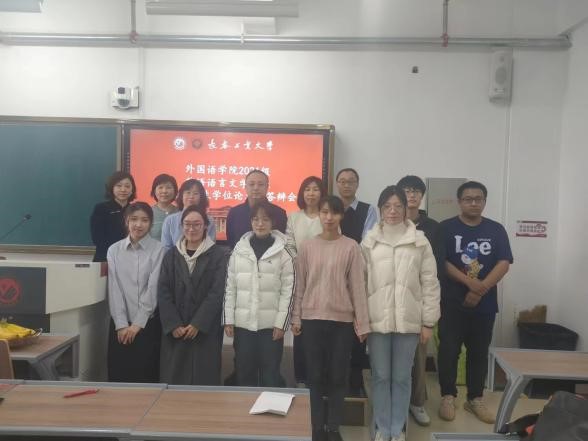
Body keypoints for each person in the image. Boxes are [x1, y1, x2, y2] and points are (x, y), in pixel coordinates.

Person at [361, 186, 440, 441]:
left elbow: (430, 283)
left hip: (409, 322)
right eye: (387, 206)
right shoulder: (369, 241)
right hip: (377, 321)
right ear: (380, 209)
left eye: (398, 206)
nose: (392, 211)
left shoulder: (420, 241)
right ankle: (382, 428)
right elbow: (360, 283)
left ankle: (398, 429)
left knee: (402, 377)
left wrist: (428, 322)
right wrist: (361, 321)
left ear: (406, 209)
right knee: (381, 376)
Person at [291, 195, 370, 441]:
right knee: (314, 376)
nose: (329, 217)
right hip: (312, 319)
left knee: (338, 376)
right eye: (324, 212)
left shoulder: (351, 247)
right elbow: (300, 285)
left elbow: (357, 287)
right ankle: (316, 427)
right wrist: (296, 317)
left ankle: (333, 427)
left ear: (341, 216)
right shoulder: (307, 246)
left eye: (334, 213)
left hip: (341, 322)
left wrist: (362, 323)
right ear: (319, 214)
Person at [437, 181, 513, 424]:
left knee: (479, 352)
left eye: (478, 199)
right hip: (451, 303)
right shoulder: (445, 228)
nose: (473, 203)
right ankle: (448, 396)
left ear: (484, 202)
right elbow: (442, 262)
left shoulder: (496, 229)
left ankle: (475, 398)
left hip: (485, 305)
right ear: (459, 202)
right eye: (468, 199)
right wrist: (470, 283)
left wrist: (481, 289)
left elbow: (504, 262)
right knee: (448, 351)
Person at [223, 200, 295, 387]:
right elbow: (230, 288)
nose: (260, 224)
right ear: (250, 222)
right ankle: (244, 407)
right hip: (243, 325)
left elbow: (288, 291)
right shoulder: (239, 251)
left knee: (270, 375)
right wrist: (228, 319)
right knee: (244, 372)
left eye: (265, 219)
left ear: (273, 223)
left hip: (271, 327)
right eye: (255, 219)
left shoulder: (283, 253)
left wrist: (281, 324)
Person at [158, 205, 228, 385]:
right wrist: (173, 323)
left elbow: (217, 291)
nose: (192, 229)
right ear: (181, 226)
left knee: (203, 378)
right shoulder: (171, 255)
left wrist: (198, 323)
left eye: (197, 224)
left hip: (205, 328)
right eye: (187, 224)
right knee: (174, 377)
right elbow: (163, 291)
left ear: (205, 226)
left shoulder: (218, 255)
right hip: (177, 328)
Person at [397, 175, 445, 427]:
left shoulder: (433, 227)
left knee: (418, 355)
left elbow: (435, 271)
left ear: (422, 196)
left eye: (416, 191)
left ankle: (416, 402)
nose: (412, 195)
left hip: (418, 299)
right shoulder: (391, 223)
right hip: (392, 299)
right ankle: (393, 404)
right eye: (407, 190)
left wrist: (430, 312)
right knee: (392, 358)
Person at [106, 202, 165, 383]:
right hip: (120, 326)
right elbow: (114, 288)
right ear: (126, 221)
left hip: (147, 324)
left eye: (144, 220)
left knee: (146, 377)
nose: (138, 224)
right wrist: (122, 324)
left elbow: (153, 288)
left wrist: (137, 324)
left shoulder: (159, 249)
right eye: (134, 219)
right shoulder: (114, 250)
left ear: (151, 223)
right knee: (119, 376)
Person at [335, 167, 378, 396]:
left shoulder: (368, 210)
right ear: (337, 184)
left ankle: (355, 381)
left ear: (357, 184)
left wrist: (349, 261)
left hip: (358, 274)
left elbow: (368, 242)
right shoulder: (330, 207)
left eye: (351, 181)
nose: (346, 185)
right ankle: (335, 380)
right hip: (332, 276)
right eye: (342, 181)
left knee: (357, 327)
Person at [285, 176, 325, 387]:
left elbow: (333, 243)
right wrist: (300, 264)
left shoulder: (327, 216)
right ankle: (301, 378)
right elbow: (289, 244)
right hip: (299, 276)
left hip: (323, 279)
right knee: (300, 328)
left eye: (315, 189)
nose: (311, 193)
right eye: (307, 189)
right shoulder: (293, 217)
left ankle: (318, 379)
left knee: (319, 331)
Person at [226, 170, 287, 249]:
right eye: (251, 184)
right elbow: (231, 242)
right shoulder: (234, 213)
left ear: (267, 187)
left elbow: (282, 242)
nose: (256, 188)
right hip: (240, 255)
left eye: (260, 184)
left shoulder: (279, 213)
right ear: (245, 187)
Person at [90, 171, 136, 262]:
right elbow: (97, 238)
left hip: (130, 258)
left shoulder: (135, 210)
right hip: (105, 257)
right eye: (119, 186)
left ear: (132, 190)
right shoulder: (101, 208)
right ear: (112, 188)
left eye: (127, 186)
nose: (123, 189)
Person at [161, 179, 216, 250]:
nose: (191, 196)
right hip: (174, 256)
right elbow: (166, 248)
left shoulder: (209, 220)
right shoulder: (170, 220)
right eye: (188, 192)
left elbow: (211, 247)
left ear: (201, 197)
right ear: (181, 196)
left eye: (195, 193)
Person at [149, 173, 178, 241]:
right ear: (154, 191)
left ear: (175, 191)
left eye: (168, 187)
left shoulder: (180, 212)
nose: (164, 191)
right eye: (160, 187)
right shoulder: (148, 212)